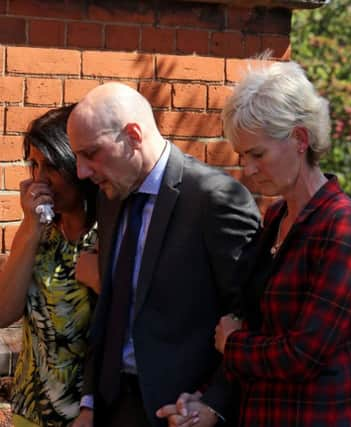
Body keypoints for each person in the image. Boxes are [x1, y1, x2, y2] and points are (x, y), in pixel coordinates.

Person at [162, 60, 351, 427]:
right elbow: (252, 325)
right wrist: (208, 402)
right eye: (242, 156)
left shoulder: (343, 224)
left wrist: (233, 346)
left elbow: (304, 355)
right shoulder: (276, 216)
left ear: (300, 139)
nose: (248, 169)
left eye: (257, 154)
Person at [67, 82, 260, 427]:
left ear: (133, 135)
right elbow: (110, 308)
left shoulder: (214, 199)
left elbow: (251, 316)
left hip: (180, 412)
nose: (82, 171)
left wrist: (214, 405)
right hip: (112, 407)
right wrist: (89, 402)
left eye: (91, 153)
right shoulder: (109, 195)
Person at [0, 105, 99, 427]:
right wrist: (30, 227)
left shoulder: (107, 235)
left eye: (52, 167)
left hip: (85, 415)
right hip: (31, 409)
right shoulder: (41, 233)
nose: (40, 180)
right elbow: (4, 312)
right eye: (34, 165)